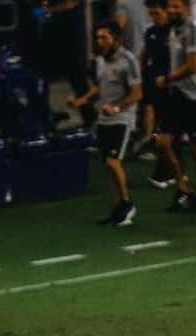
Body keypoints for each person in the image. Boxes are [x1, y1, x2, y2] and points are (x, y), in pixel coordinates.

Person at [69, 22, 142, 226]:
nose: (100, 42)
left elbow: (137, 93)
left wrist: (117, 108)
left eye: (104, 37)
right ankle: (116, 207)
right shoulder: (100, 60)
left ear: (116, 39)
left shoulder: (128, 60)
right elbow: (100, 87)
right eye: (98, 37)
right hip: (104, 119)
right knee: (107, 166)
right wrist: (82, 100)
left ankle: (126, 203)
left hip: (122, 118)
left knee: (113, 161)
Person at [154, 0, 196, 213]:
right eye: (169, 6)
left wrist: (167, 78)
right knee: (164, 142)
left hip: (193, 98)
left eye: (176, 6)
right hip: (175, 96)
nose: (171, 10)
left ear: (186, 8)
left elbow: (193, 65)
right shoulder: (172, 31)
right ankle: (182, 186)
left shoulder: (193, 32)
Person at [140, 0, 176, 188]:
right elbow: (145, 55)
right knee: (166, 131)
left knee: (168, 134)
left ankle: (166, 172)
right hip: (154, 84)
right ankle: (168, 172)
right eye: (151, 13)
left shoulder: (174, 32)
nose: (154, 17)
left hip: (172, 86)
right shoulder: (151, 32)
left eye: (157, 13)